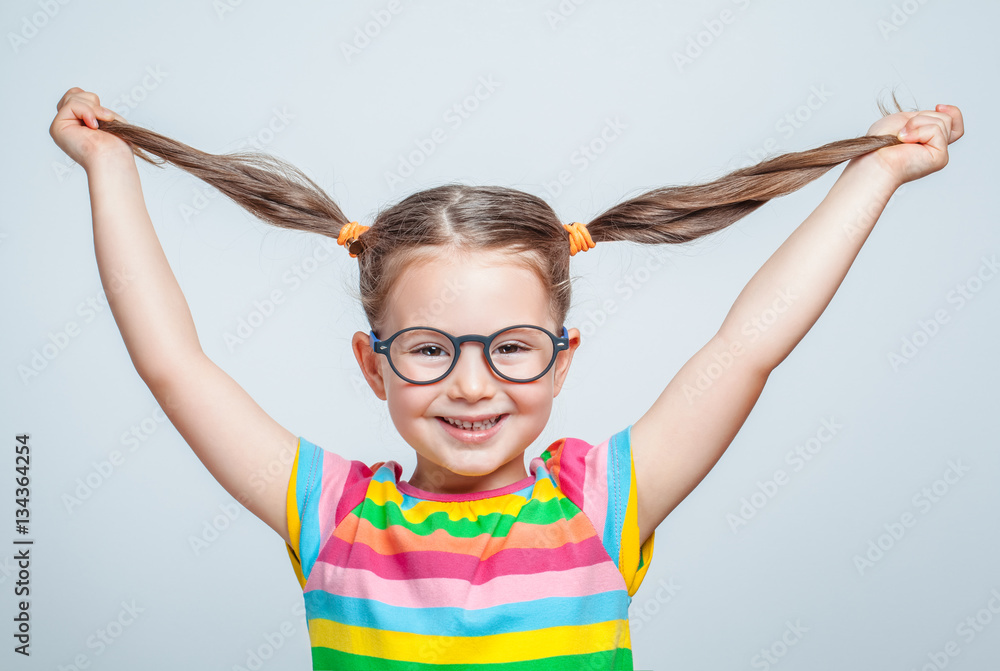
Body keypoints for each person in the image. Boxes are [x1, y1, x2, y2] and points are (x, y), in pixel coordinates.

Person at [49, 87, 963, 670]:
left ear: (564, 360)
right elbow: (173, 364)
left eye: (513, 346)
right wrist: (110, 166)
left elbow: (747, 346)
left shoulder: (601, 505)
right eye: (429, 347)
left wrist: (875, 174)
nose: (472, 384)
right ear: (373, 365)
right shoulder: (333, 517)